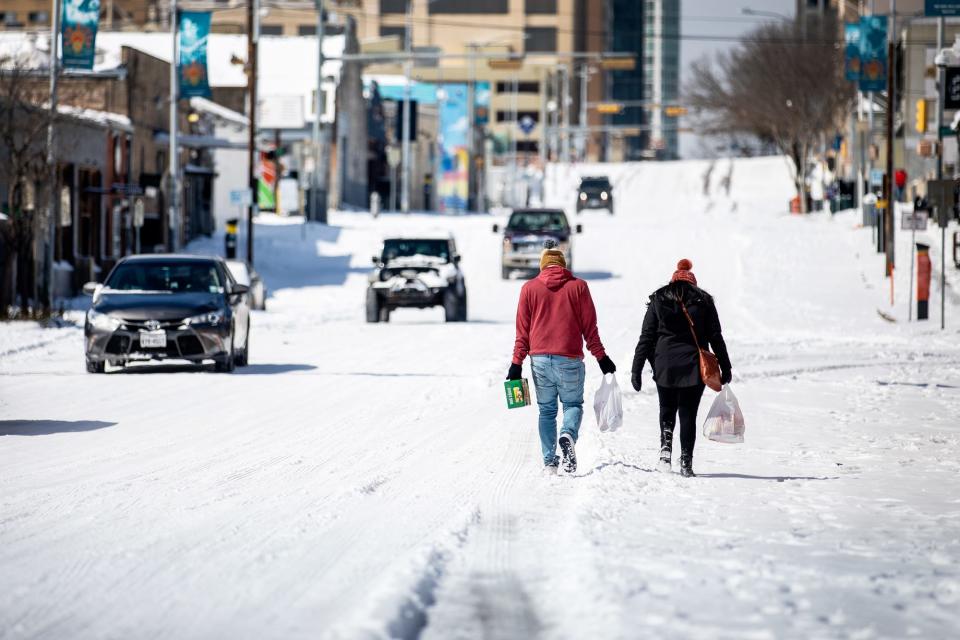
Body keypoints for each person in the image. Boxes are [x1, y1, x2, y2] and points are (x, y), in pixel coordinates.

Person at [508, 240, 616, 475]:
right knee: (572, 405)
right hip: (569, 360)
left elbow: (522, 332)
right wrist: (601, 358)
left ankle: (549, 463)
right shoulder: (579, 287)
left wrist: (516, 364)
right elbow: (590, 329)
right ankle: (567, 433)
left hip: (539, 361)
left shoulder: (529, 289)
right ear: (563, 265)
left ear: (543, 265)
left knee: (546, 411)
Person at [630, 259, 731, 478]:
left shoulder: (658, 299)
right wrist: (725, 366)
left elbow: (646, 337)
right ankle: (686, 461)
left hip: (664, 364)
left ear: (673, 280)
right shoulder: (704, 301)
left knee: (666, 409)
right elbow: (716, 337)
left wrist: (636, 369)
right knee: (688, 414)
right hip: (694, 366)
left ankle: (665, 452)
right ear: (693, 282)